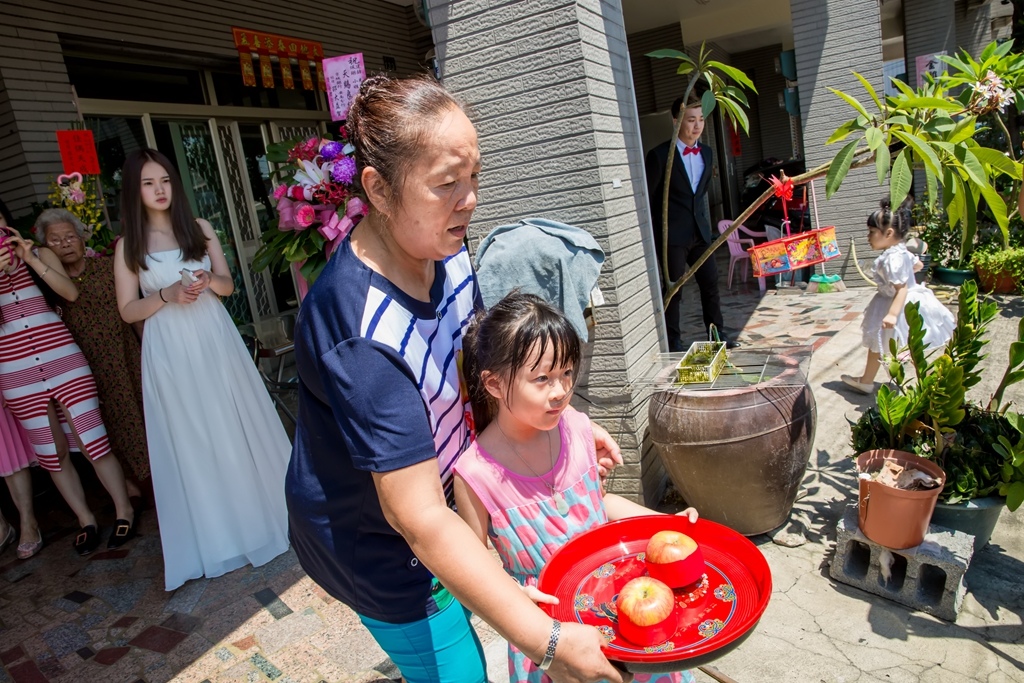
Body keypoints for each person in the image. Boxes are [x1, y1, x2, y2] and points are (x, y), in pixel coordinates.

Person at [286, 74, 631, 683]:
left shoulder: (443, 250)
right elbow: (417, 518)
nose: (469, 199)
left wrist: (567, 416)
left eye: (474, 177)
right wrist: (545, 642)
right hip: (381, 542)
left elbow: (487, 371)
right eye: (447, 184)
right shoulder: (363, 334)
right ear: (379, 191)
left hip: (447, 498)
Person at [455, 291, 698, 683]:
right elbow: (470, 564)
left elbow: (600, 503)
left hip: (621, 607)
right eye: (542, 379)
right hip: (551, 634)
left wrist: (665, 524)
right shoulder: (474, 473)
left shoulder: (577, 427)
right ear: (495, 385)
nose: (560, 391)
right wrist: (510, 598)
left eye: (567, 373)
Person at [113, 148, 291, 591]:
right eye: (149, 183)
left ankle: (266, 518)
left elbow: (228, 285)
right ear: (134, 192)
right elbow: (128, 311)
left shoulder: (199, 229)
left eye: (166, 181)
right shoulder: (128, 247)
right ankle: (217, 537)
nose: (159, 190)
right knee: (193, 436)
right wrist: (166, 295)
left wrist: (206, 281)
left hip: (214, 339)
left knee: (232, 423)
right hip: (169, 350)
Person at [0, 198, 136, 556]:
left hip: (64, 360)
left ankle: (124, 510)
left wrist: (27, 258)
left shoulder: (41, 255)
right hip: (17, 373)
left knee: (92, 438)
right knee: (53, 452)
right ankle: (85, 519)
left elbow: (70, 292)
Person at [35, 209, 151, 499]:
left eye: (70, 236)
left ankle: (157, 482)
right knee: (104, 430)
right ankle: (130, 488)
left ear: (81, 238)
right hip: (85, 370)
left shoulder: (109, 268)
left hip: (127, 359)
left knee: (144, 417)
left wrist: (149, 348)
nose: (64, 244)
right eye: (55, 240)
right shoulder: (47, 289)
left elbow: (134, 312)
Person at [645, 94, 737, 351]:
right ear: (676, 122)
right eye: (690, 120)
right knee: (673, 292)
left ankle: (717, 336)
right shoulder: (660, 155)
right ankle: (673, 342)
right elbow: (651, 201)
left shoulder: (706, 153)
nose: (697, 126)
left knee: (710, 284)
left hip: (700, 234)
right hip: (672, 237)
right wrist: (657, 238)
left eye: (701, 119)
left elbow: (701, 193)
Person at [841, 199, 956, 394]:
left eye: (871, 232)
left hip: (896, 305)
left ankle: (927, 384)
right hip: (900, 301)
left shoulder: (891, 259)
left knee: (902, 346)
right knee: (882, 344)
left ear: (888, 233)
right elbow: (917, 265)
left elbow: (901, 289)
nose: (868, 237)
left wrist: (893, 314)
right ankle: (867, 380)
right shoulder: (900, 251)